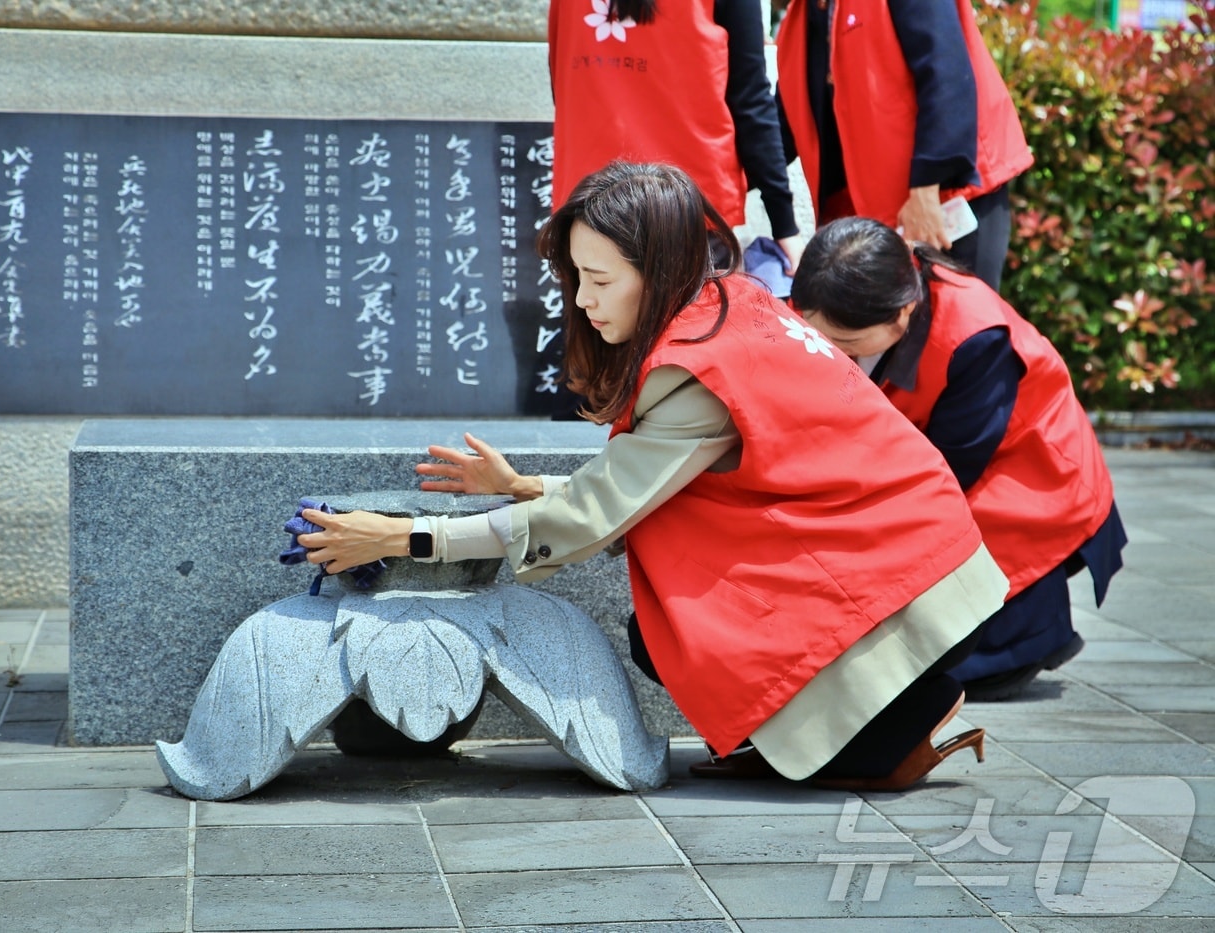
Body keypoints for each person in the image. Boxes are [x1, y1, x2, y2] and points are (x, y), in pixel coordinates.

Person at [295, 162, 1012, 790]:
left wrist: (402, 537)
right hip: (901, 547)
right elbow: (649, 485)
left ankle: (896, 723)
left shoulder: (699, 368)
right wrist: (524, 487)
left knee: (672, 629)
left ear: (659, 270)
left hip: (901, 571)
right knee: (666, 621)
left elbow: (591, 518)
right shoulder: (728, 307)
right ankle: (838, 731)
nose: (582, 300)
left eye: (601, 280)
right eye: (576, 278)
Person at [789, 216, 1127, 700]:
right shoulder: (843, 301)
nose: (825, 351)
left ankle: (1025, 642)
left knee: (944, 657)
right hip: (935, 462)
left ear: (903, 313)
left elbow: (950, 470)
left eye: (843, 345)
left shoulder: (973, 335)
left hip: (1024, 474)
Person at [773, 0, 1033, 291]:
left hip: (946, 197)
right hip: (873, 219)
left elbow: (944, 68)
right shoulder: (799, 18)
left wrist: (925, 192)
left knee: (961, 325)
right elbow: (779, 131)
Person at [548, 0, 805, 271]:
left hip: (587, 206)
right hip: (689, 208)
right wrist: (784, 224)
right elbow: (750, 100)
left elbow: (560, 83)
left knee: (594, 308)